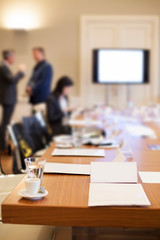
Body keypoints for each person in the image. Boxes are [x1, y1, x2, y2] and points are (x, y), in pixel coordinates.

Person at [0, 50, 26, 151]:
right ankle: (2, 146)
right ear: (9, 57)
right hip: (7, 100)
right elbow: (11, 80)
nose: (14, 59)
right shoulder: (3, 68)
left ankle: (3, 145)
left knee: (6, 123)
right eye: (13, 57)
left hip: (9, 99)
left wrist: (19, 77)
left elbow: (11, 82)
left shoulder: (6, 68)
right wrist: (20, 71)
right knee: (5, 123)